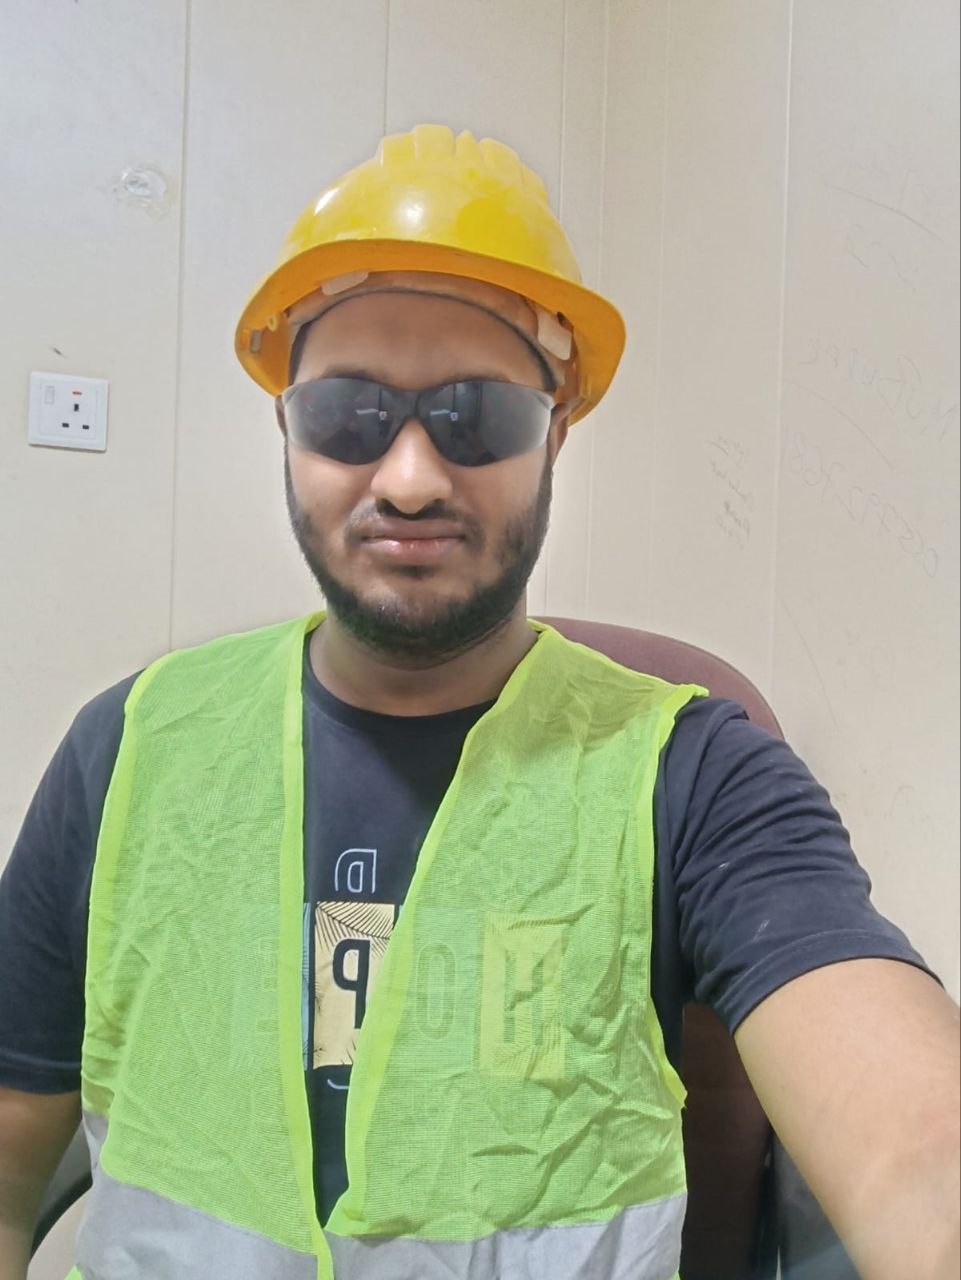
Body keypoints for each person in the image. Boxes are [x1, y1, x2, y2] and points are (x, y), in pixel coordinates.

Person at [0, 124, 957, 1280]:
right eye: (347, 413)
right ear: (284, 426)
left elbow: (917, 1157)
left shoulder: (697, 774)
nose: (409, 477)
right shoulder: (128, 746)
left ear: (555, 431)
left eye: (478, 416)